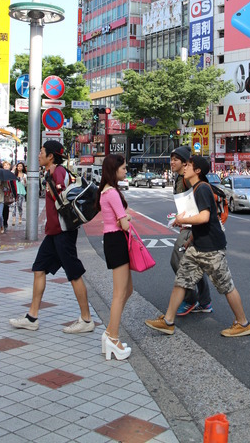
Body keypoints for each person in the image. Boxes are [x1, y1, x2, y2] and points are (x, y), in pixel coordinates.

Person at [145, 156, 250, 338]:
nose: (185, 167)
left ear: (197, 171)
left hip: (211, 248)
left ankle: (243, 323)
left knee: (226, 285)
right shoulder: (195, 188)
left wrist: (182, 220)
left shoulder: (202, 188)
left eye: (188, 165)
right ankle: (168, 321)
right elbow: (203, 221)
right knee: (182, 280)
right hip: (197, 246)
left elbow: (204, 217)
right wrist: (191, 239)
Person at [9, 140, 95, 334]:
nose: (38, 155)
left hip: (63, 233)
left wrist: (52, 186)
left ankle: (87, 320)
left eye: (41, 152)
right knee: (39, 268)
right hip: (54, 233)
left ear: (50, 156)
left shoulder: (58, 173)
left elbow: (63, 199)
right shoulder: (52, 173)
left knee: (74, 274)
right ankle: (32, 318)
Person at [96, 154, 132, 360]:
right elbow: (123, 224)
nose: (126, 171)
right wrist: (127, 218)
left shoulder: (105, 191)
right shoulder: (112, 193)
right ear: (114, 169)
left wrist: (123, 219)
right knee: (120, 293)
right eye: (123, 168)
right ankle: (113, 338)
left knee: (128, 289)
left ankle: (110, 331)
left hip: (112, 240)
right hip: (117, 240)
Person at [169, 146, 213, 316]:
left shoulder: (187, 179)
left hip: (192, 226)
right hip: (189, 225)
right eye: (171, 159)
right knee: (196, 264)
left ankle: (190, 299)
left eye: (176, 159)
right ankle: (205, 301)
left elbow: (199, 206)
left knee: (177, 260)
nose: (172, 162)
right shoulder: (180, 178)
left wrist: (185, 220)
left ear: (185, 163)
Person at [2, 160, 16, 231]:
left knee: (6, 209)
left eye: (7, 165)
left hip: (7, 194)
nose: (6, 166)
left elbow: (14, 186)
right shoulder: (1, 174)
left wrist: (15, 195)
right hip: (1, 194)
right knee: (1, 209)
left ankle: (5, 222)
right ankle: (2, 221)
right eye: (5, 165)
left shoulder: (11, 175)